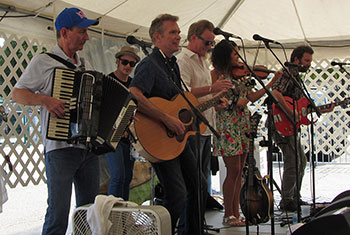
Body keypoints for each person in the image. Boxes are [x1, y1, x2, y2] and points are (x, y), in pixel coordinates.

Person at [12, 8, 99, 234]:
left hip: (87, 149)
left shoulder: (86, 65)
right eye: (82, 31)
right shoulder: (44, 61)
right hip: (60, 149)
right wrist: (44, 100)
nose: (87, 37)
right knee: (58, 214)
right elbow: (18, 93)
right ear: (64, 32)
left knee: (89, 212)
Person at [129, 14, 204, 235]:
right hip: (159, 139)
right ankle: (159, 231)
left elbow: (176, 102)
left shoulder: (172, 65)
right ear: (157, 37)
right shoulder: (150, 64)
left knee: (198, 185)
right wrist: (165, 118)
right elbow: (133, 94)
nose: (178, 36)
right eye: (173, 32)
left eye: (179, 32)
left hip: (176, 139)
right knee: (178, 194)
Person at [211, 40, 282, 226]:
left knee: (239, 171)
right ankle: (229, 215)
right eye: (235, 54)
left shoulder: (241, 75)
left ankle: (236, 212)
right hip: (227, 125)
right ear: (225, 56)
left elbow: (250, 97)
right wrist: (235, 102)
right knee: (232, 171)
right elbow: (217, 102)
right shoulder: (216, 75)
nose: (239, 58)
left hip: (242, 123)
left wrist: (271, 83)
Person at [176, 19, 231, 227]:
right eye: (207, 43)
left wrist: (216, 103)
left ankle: (198, 225)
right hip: (191, 129)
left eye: (211, 44)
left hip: (206, 128)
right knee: (193, 184)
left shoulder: (202, 61)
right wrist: (212, 88)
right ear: (192, 38)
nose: (209, 47)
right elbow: (183, 93)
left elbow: (202, 99)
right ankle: (188, 227)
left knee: (202, 184)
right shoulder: (184, 60)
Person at [270, 45, 334, 212]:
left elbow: (301, 107)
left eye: (310, 61)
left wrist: (322, 109)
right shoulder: (288, 73)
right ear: (296, 60)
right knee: (293, 161)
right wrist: (290, 111)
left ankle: (294, 197)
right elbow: (275, 93)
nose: (309, 65)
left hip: (291, 125)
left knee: (301, 161)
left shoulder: (297, 77)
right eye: (306, 61)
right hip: (280, 124)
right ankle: (287, 200)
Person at [104, 46, 140, 200]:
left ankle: (123, 217)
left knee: (127, 178)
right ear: (118, 61)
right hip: (111, 135)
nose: (128, 66)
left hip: (128, 137)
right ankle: (111, 215)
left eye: (132, 64)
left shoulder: (134, 85)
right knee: (118, 176)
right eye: (125, 62)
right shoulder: (107, 81)